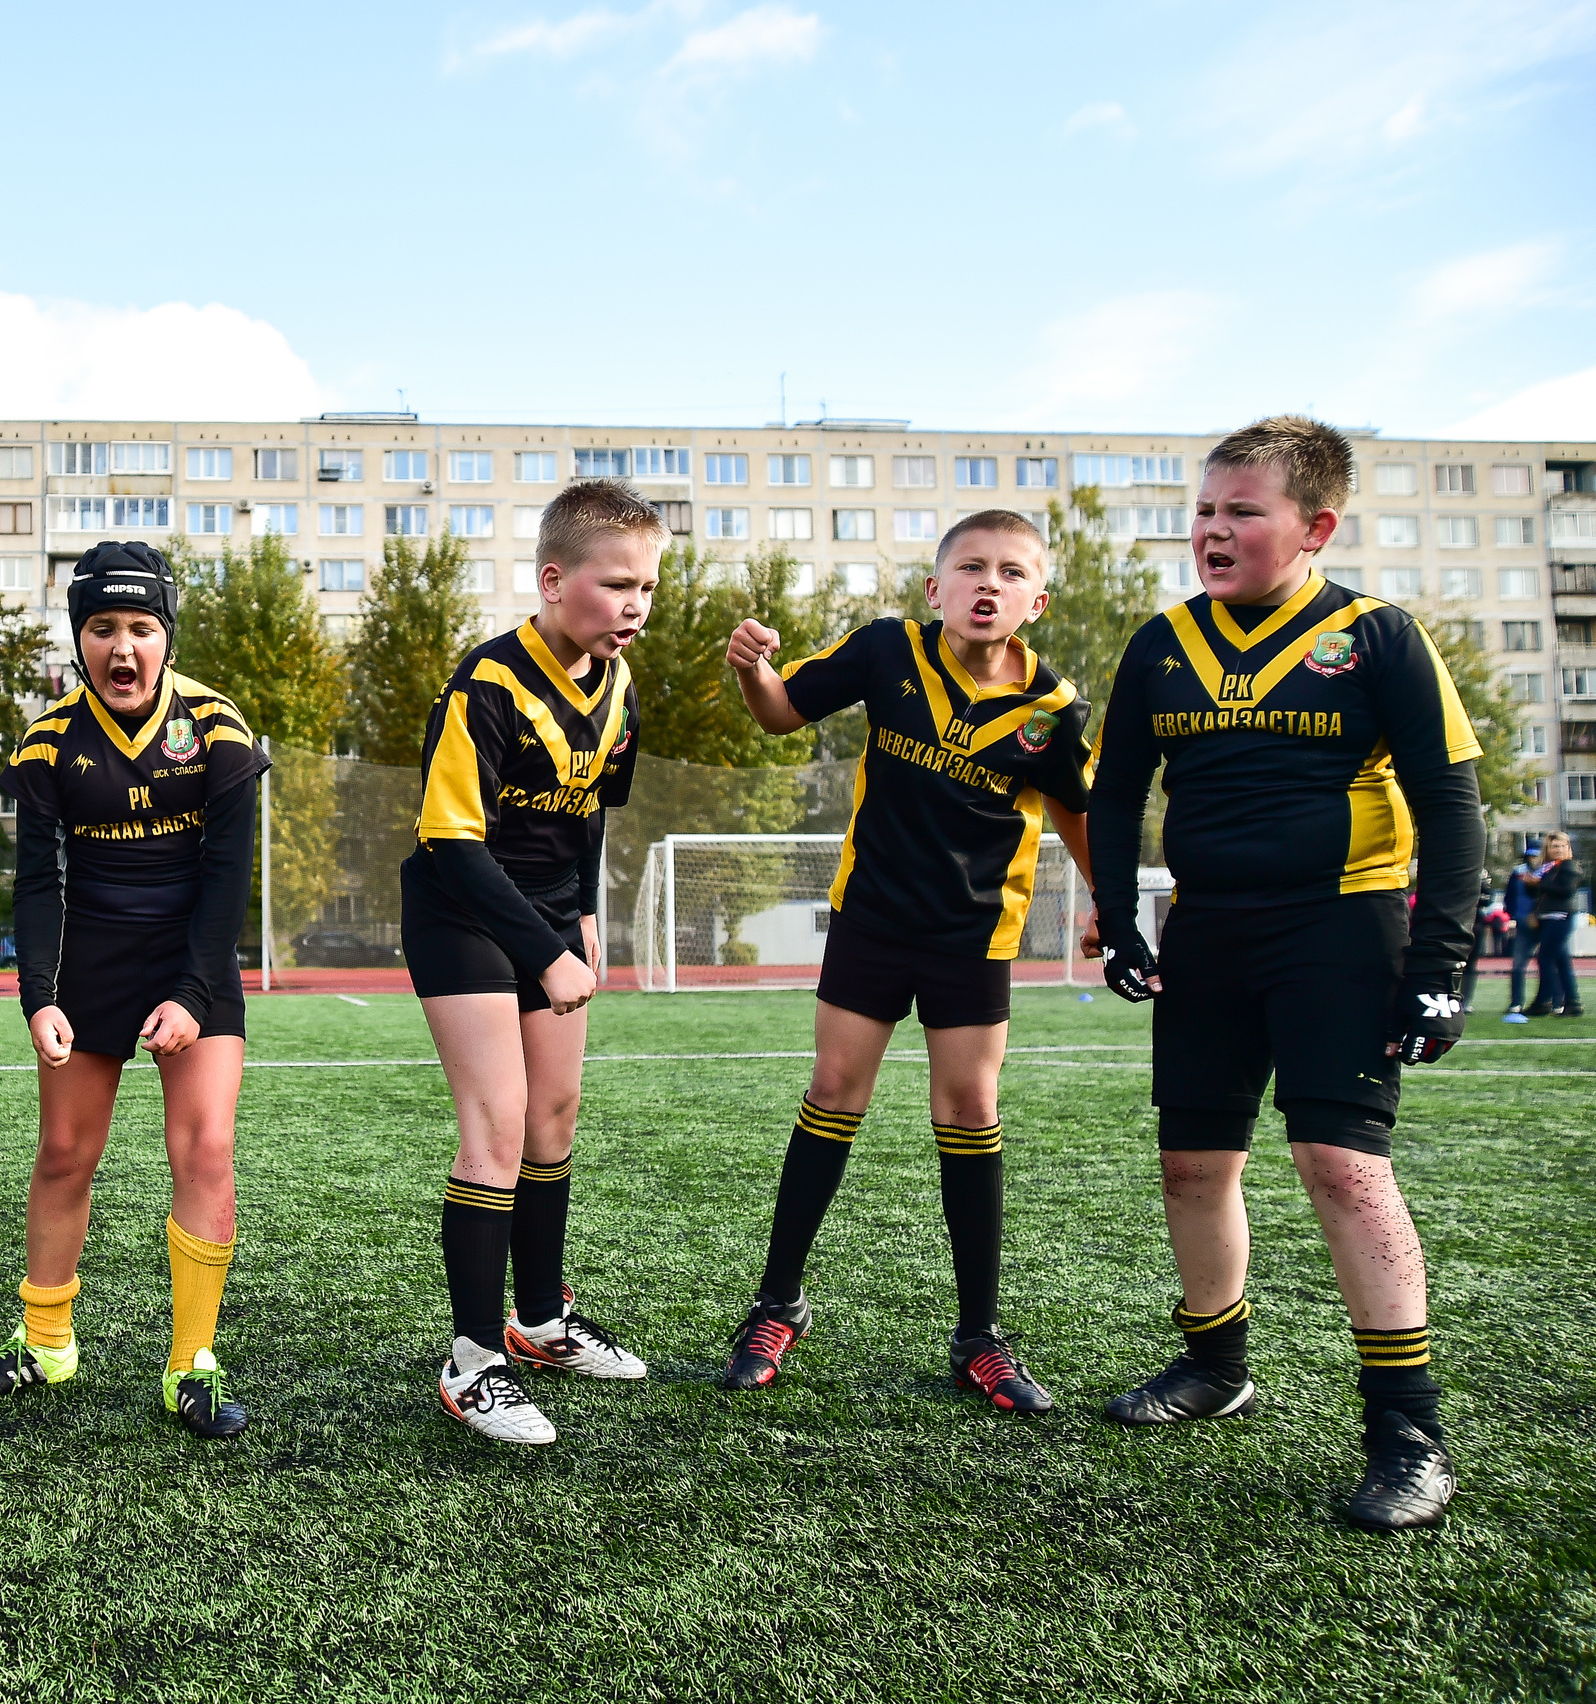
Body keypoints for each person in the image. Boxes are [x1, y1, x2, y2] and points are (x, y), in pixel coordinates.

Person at [1086, 415, 1478, 1531]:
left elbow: (1451, 802)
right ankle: (1215, 1366)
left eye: (1239, 512)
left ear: (1314, 527)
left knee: (1340, 1166)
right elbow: (1116, 796)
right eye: (1203, 510)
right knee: (1190, 1167)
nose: (1211, 531)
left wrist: (1440, 962)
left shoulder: (1377, 636)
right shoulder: (1161, 643)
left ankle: (1408, 1431)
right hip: (1210, 934)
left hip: (1341, 932)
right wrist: (1119, 921)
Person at [720, 510, 1096, 1414]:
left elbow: (1079, 811)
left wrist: (1108, 910)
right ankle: (776, 1309)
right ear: (937, 589)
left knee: (970, 1108)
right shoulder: (888, 649)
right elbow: (779, 715)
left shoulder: (1055, 707)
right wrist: (752, 669)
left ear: (1034, 600)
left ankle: (980, 1338)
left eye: (1010, 572)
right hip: (873, 921)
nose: (987, 584)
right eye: (970, 567)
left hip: (974, 935)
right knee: (834, 1091)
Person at [0, 541, 270, 1439]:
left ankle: (191, 1365)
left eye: (139, 628)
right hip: (89, 961)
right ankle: (45, 1340)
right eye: (101, 629)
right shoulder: (48, 741)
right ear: (78, 637)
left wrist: (196, 994)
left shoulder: (220, 731)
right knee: (63, 1155)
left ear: (166, 635)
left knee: (205, 1150)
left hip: (190, 959)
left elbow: (225, 878)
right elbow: (37, 882)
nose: (122, 649)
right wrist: (39, 997)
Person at [406, 479, 657, 1446]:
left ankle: (542, 1321)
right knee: (498, 1126)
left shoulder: (620, 681)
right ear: (555, 581)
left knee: (554, 1119)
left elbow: (593, 805)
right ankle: (473, 1362)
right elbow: (453, 843)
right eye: (616, 583)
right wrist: (546, 952)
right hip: (459, 908)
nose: (634, 605)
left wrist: (584, 914)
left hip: (550, 914)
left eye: (647, 587)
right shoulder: (489, 685)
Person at [1522, 831, 1581, 1017]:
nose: (1559, 850)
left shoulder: (1569, 866)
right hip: (1548, 917)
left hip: (1560, 917)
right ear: (1548, 849)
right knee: (1561, 962)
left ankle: (1543, 1001)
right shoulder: (1548, 867)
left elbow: (1566, 890)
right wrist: (1530, 884)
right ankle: (1572, 1003)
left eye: (1562, 846)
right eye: (1555, 846)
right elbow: (1536, 894)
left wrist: (1538, 883)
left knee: (1545, 959)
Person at [1501, 852, 1539, 1022]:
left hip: (1543, 920)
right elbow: (1510, 896)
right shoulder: (1519, 872)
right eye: (1531, 856)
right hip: (1523, 920)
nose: (1533, 859)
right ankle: (1516, 1002)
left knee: (1549, 963)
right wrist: (1511, 914)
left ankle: (1555, 1000)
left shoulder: (1547, 871)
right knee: (1518, 964)